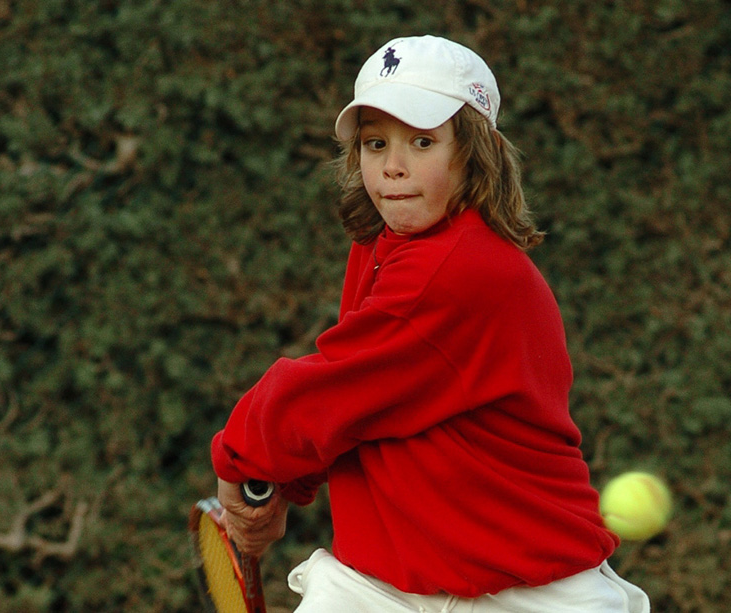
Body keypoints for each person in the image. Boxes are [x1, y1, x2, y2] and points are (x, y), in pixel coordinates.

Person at [211, 34, 651, 613]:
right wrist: (283, 487)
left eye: (422, 141)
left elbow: (321, 390)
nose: (393, 168)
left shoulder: (460, 268)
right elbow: (363, 401)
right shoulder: (380, 244)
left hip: (528, 593)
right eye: (374, 144)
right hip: (383, 586)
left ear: (477, 150)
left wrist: (241, 463)